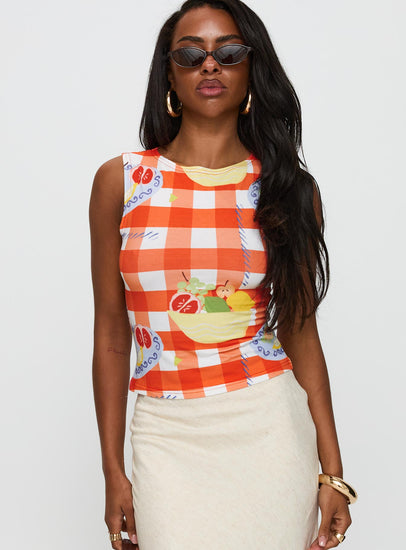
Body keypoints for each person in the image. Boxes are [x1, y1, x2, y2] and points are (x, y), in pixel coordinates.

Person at [89, 1, 358, 549]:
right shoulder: (122, 182)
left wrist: (332, 473)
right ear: (169, 75)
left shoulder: (288, 190)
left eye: (229, 52)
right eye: (191, 55)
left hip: (267, 425)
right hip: (165, 432)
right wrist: (113, 470)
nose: (210, 65)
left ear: (251, 70)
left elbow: (300, 331)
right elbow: (112, 334)